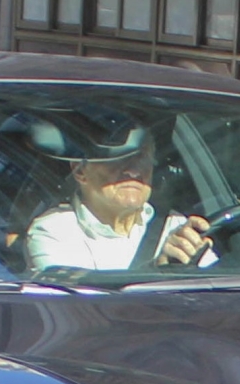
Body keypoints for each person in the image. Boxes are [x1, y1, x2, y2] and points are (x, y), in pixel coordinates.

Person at [22, 109, 212, 272]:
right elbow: (80, 309)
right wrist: (159, 270)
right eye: (117, 157)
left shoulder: (176, 227)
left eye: (143, 156)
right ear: (80, 171)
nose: (134, 170)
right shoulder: (55, 230)